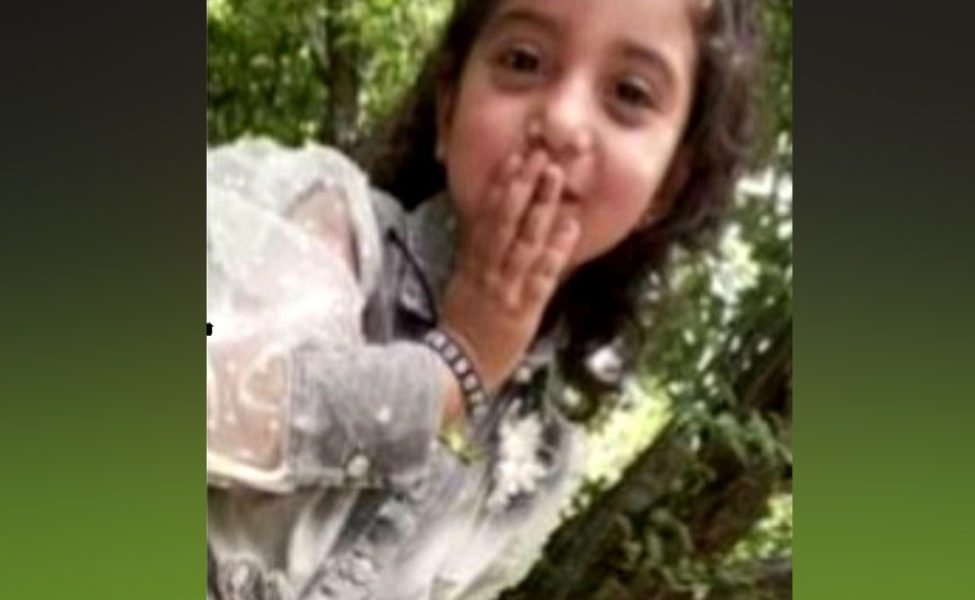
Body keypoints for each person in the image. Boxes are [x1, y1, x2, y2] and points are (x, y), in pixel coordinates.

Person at [206, 0, 761, 598]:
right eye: (523, 61)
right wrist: (456, 363)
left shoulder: (541, 462)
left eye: (629, 93)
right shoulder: (334, 229)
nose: (562, 121)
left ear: (668, 186)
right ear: (448, 110)